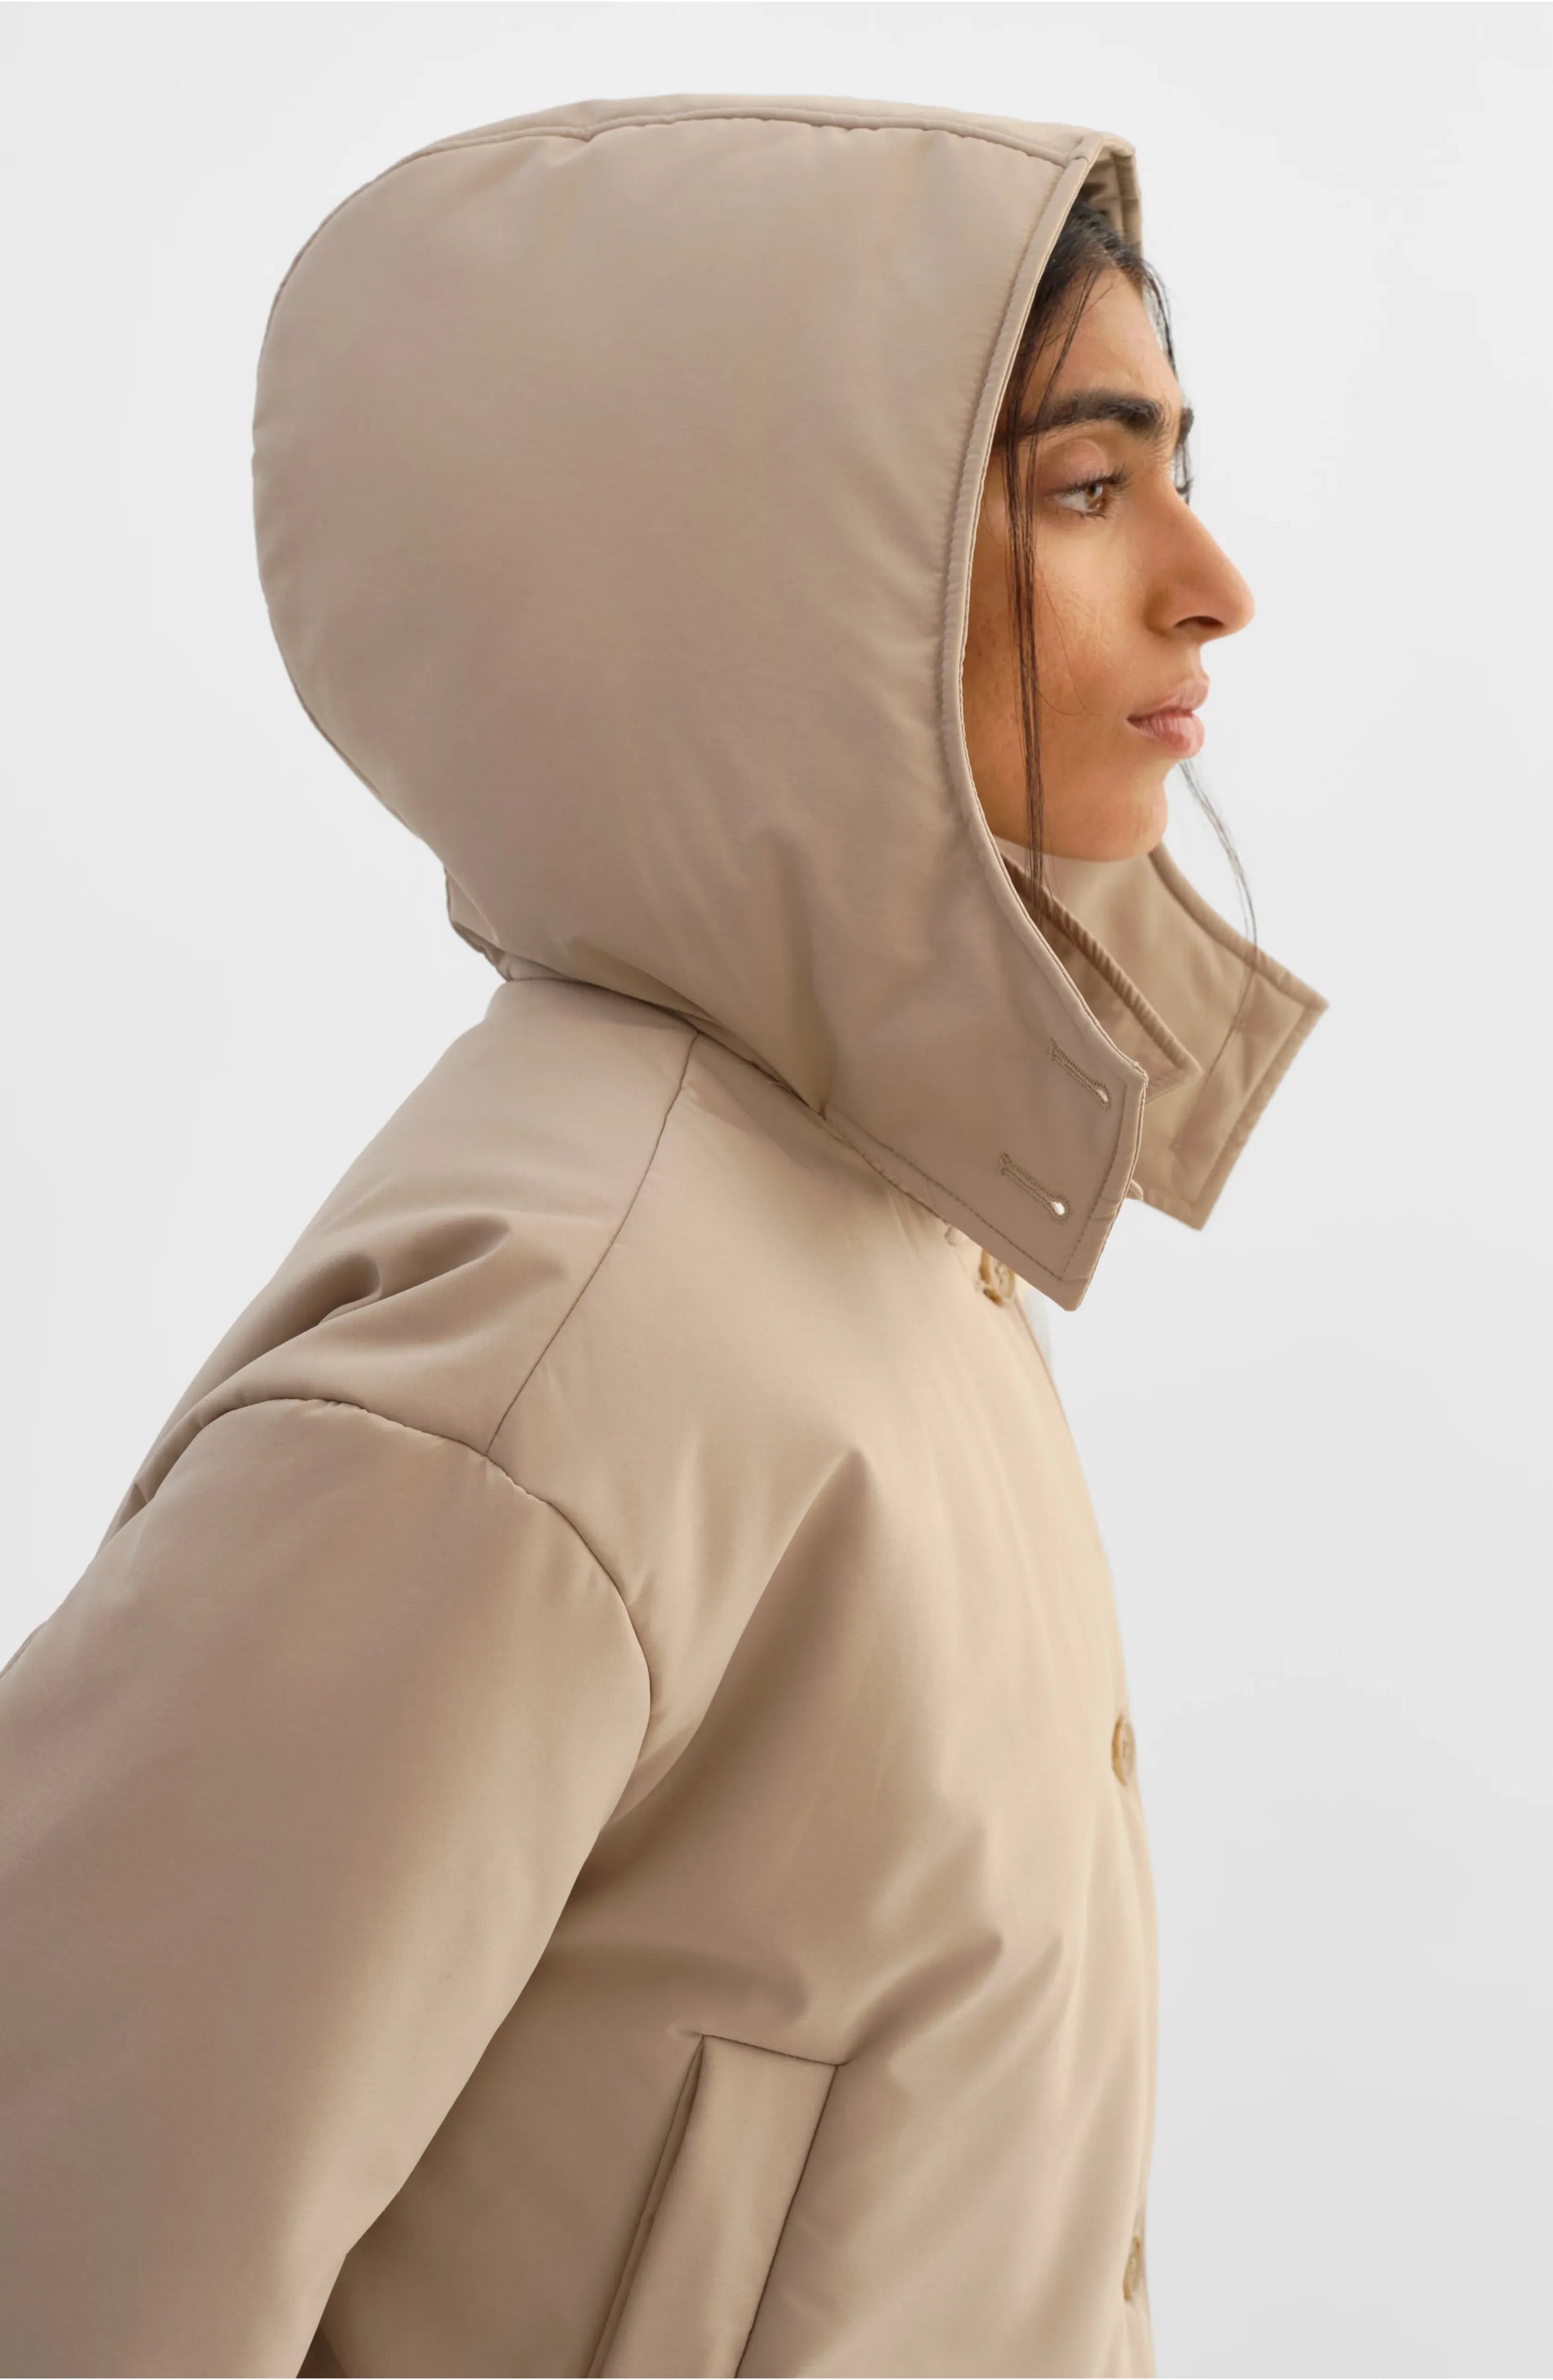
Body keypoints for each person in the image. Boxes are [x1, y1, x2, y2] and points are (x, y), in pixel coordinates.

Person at [0, 91, 1327, 2380]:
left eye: (1176, 469)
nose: (1210, 580)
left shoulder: (894, 1226)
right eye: (1084, 485)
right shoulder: (552, 1346)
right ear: (796, 579)